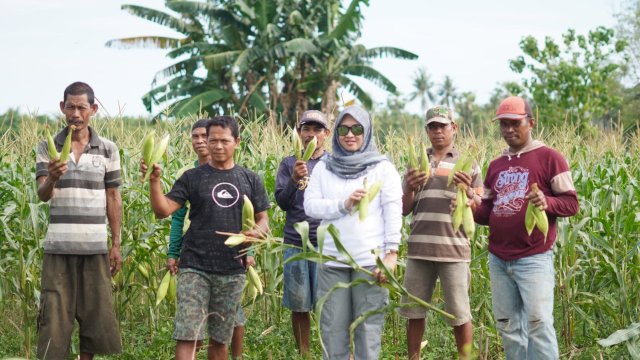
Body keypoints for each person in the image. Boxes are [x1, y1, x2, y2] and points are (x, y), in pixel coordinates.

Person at [142, 116, 270, 360]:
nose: (218, 146)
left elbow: (264, 218)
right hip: (194, 266)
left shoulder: (250, 179)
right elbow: (162, 210)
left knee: (220, 340)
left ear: (237, 142)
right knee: (188, 335)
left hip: (232, 268)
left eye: (224, 141)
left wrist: (257, 232)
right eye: (213, 141)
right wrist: (154, 181)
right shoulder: (192, 177)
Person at [468, 96, 579, 359]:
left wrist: (546, 201)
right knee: (508, 327)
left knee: (539, 324)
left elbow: (571, 204)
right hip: (499, 259)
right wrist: (472, 207)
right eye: (503, 124)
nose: (508, 129)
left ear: (531, 122)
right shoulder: (496, 165)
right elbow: (488, 213)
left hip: (534, 257)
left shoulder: (550, 158)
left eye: (514, 123)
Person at [304, 105, 403, 359]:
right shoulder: (324, 168)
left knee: (368, 333)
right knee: (332, 332)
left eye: (357, 128)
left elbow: (393, 211)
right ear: (335, 132)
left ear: (366, 131)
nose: (350, 134)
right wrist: (343, 204)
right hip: (332, 262)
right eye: (344, 129)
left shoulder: (382, 168)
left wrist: (391, 254)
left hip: (370, 264)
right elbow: (310, 206)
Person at [35, 81, 122, 359]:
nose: (75, 113)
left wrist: (116, 244)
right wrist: (53, 177)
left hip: (95, 248)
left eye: (82, 107)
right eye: (70, 106)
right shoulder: (47, 147)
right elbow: (43, 194)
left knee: (95, 317)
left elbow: (113, 198)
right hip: (58, 248)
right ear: (62, 108)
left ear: (93, 109)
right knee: (55, 320)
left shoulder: (108, 149)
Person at [399, 106, 482, 359]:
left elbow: (480, 207)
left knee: (460, 313)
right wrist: (410, 188)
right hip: (419, 247)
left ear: (453, 128)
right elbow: (403, 209)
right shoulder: (416, 161)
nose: (438, 131)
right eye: (432, 127)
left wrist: (468, 193)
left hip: (454, 249)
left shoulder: (468, 163)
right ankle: (414, 357)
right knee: (414, 311)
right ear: (427, 130)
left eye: (443, 126)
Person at [167, 119, 250, 359]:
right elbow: (175, 216)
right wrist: (174, 252)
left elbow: (249, 217)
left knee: (228, 325)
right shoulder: (190, 176)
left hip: (230, 262)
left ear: (235, 142)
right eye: (199, 137)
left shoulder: (243, 176)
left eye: (212, 138)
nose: (206, 143)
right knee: (190, 328)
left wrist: (249, 250)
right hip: (195, 258)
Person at [275, 110, 330, 356]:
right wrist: (294, 180)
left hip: (327, 245)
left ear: (326, 134)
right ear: (299, 133)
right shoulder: (289, 164)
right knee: (299, 306)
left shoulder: (334, 164)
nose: (311, 134)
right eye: (306, 129)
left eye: (318, 130)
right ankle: (304, 353)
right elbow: (283, 203)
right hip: (296, 243)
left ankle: (332, 351)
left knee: (329, 305)